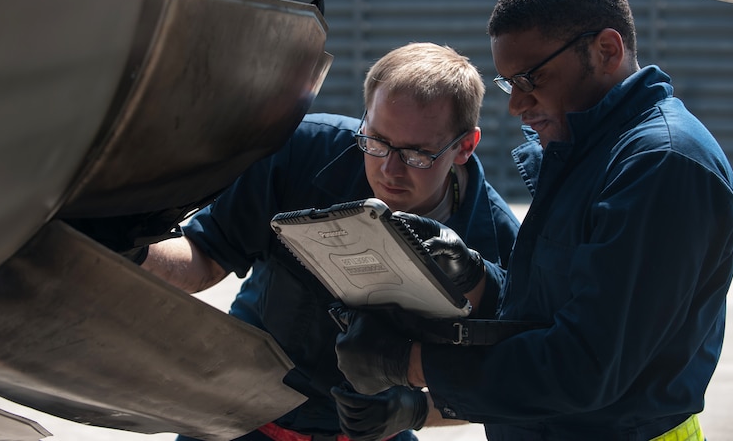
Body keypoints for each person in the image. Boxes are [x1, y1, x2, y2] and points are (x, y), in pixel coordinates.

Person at [334, 0, 733, 441]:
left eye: (530, 79)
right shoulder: (589, 153)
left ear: (606, 50)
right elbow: (548, 315)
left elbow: (584, 365)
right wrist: (475, 278)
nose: (516, 104)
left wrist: (410, 364)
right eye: (510, 83)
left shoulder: (662, 164)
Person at [141, 42, 521, 441]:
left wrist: (414, 411)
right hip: (241, 416)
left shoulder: (497, 244)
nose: (388, 170)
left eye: (416, 154)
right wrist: (134, 251)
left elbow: (511, 380)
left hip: (373, 431)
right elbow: (206, 256)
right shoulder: (303, 151)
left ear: (465, 146)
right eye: (376, 140)